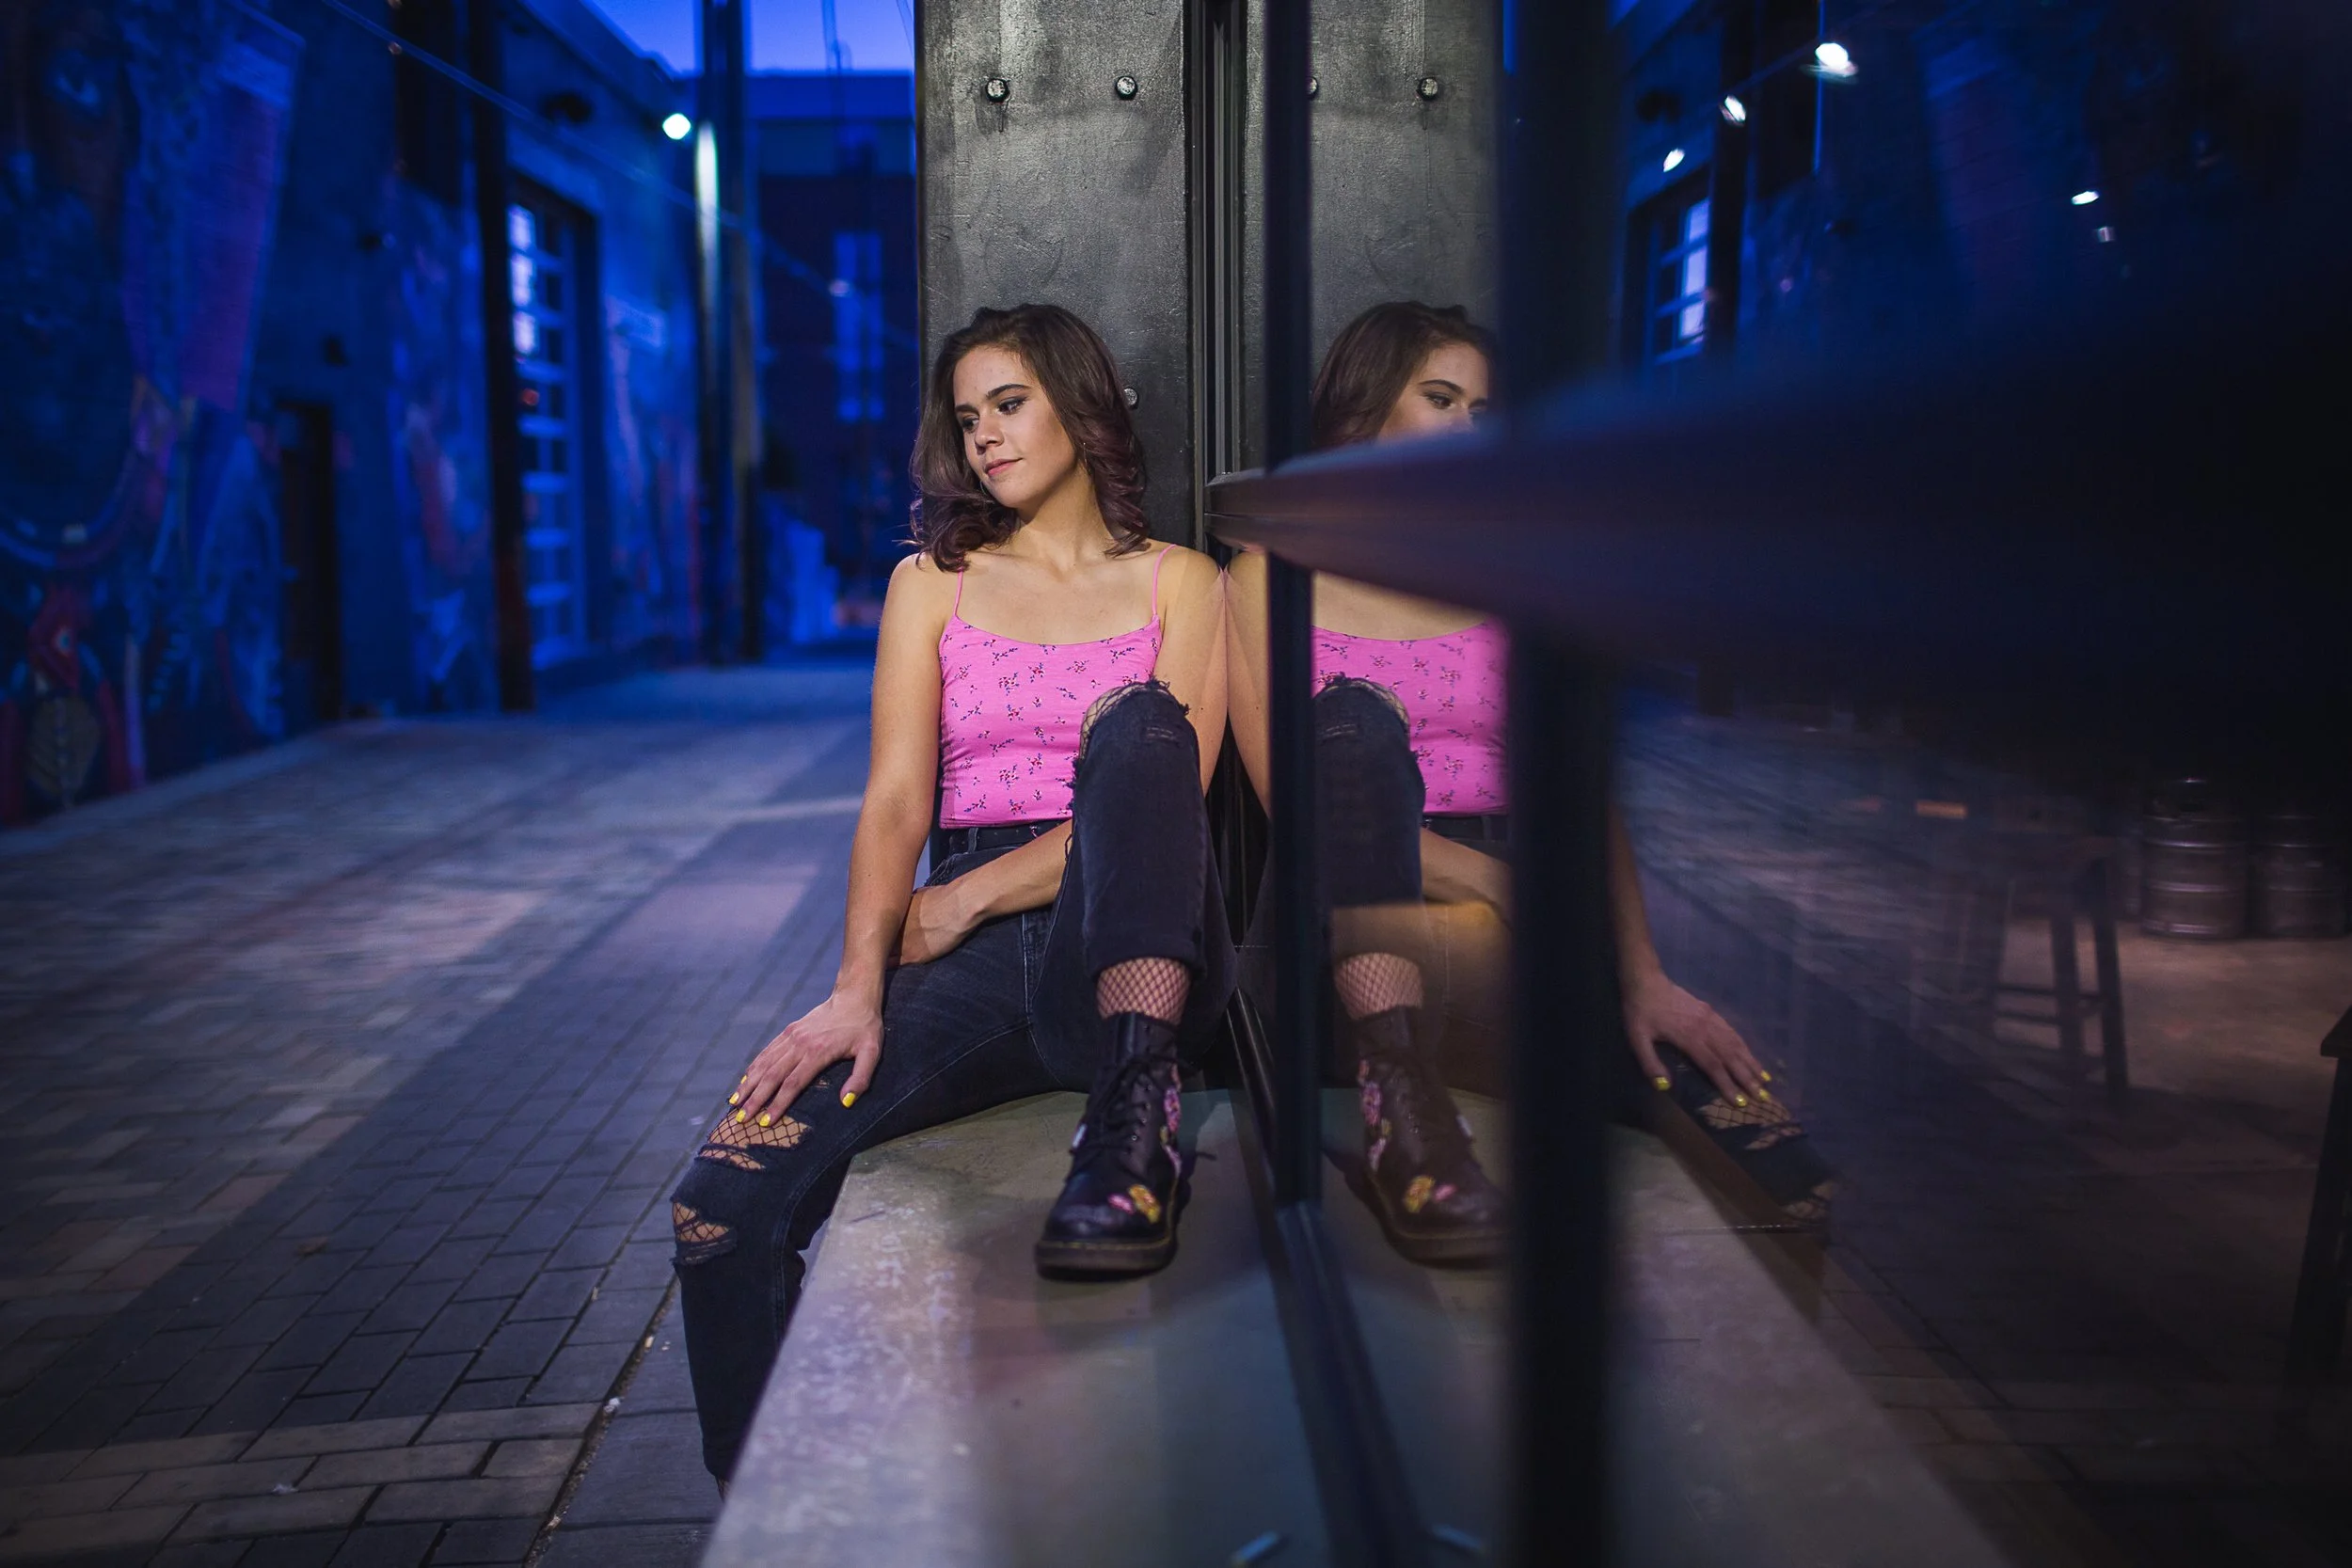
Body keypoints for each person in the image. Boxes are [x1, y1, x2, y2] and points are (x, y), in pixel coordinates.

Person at [670, 304, 1232, 1483]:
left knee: (1142, 733)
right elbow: (893, 802)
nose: (984, 435)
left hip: (1122, 938)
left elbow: (1162, 805)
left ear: (1080, 402)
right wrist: (854, 989)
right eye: (968, 416)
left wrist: (971, 899)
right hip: (965, 967)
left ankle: (1138, 1115)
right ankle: (783, 1527)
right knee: (718, 1205)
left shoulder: (1183, 583)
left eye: (1009, 404)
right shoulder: (932, 584)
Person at [1225, 301, 1834, 1261]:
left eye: (1483, 409)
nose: (1469, 424)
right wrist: (1500, 886)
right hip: (1354, 909)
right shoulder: (1268, 580)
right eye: (1440, 398)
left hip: (1514, 907)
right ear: (1361, 411)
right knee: (1353, 725)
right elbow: (1293, 808)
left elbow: (1581, 795)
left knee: (1775, 1163)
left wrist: (1643, 974)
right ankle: (1403, 1103)